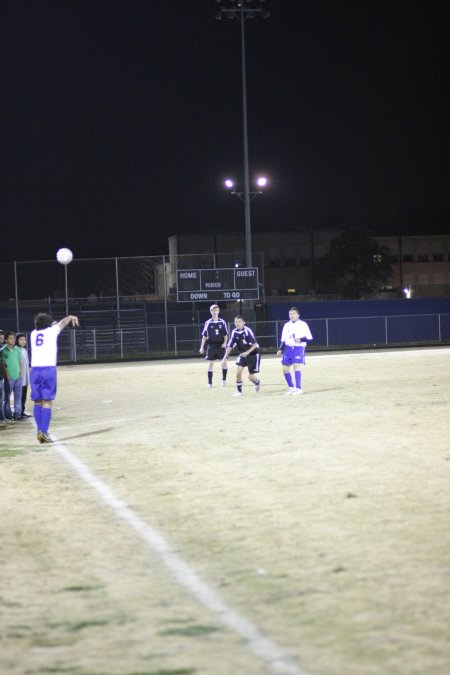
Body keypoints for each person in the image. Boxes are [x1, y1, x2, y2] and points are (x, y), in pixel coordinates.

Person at [30, 312, 79, 443]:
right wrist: (70, 317)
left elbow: (53, 325)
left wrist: (53, 324)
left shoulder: (33, 334)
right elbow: (62, 323)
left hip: (35, 370)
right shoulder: (51, 332)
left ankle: (40, 431)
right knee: (47, 401)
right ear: (49, 323)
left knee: (37, 401)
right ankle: (44, 432)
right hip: (48, 370)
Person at [276, 307, 313, 395]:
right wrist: (280, 349)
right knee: (285, 369)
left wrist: (300, 339)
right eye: (290, 314)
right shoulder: (286, 325)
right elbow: (283, 339)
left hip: (298, 348)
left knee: (296, 365)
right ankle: (291, 387)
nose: (291, 315)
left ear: (298, 315)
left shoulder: (303, 324)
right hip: (288, 348)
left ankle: (299, 389)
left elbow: (310, 338)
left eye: (293, 313)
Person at [222, 315, 261, 397]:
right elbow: (230, 346)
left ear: (243, 323)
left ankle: (257, 382)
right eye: (236, 322)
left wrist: (247, 352)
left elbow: (255, 345)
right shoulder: (234, 332)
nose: (237, 323)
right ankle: (239, 392)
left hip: (253, 354)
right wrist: (224, 358)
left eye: (239, 322)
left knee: (250, 377)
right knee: (238, 373)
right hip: (243, 354)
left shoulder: (247, 331)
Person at [199, 304, 229, 387]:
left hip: (221, 345)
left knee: (224, 363)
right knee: (211, 363)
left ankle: (224, 380)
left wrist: (224, 343)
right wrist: (202, 347)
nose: (215, 312)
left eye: (216, 310)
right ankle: (210, 383)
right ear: (210, 312)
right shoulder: (208, 323)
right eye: (213, 310)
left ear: (218, 311)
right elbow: (204, 336)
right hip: (211, 346)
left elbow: (226, 335)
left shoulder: (222, 322)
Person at [1, 331, 23, 420]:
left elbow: (20, 362)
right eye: (11, 338)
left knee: (18, 398)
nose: (13, 340)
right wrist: (7, 375)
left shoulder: (17, 349)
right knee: (7, 398)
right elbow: (3, 365)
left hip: (18, 377)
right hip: (9, 378)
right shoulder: (3, 351)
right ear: (6, 340)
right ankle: (8, 415)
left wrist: (21, 373)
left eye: (14, 338)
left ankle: (18, 415)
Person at [15, 333, 31, 418]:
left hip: (25, 378)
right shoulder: (16, 350)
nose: (23, 341)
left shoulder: (24, 350)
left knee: (24, 395)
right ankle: (18, 413)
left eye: (24, 339)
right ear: (17, 340)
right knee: (19, 397)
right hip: (19, 378)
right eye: (21, 339)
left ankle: (22, 411)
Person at [0, 330, 6, 423]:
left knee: (1, 397)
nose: (1, 340)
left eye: (2, 338)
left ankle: (1, 417)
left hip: (1, 377)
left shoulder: (2, 349)